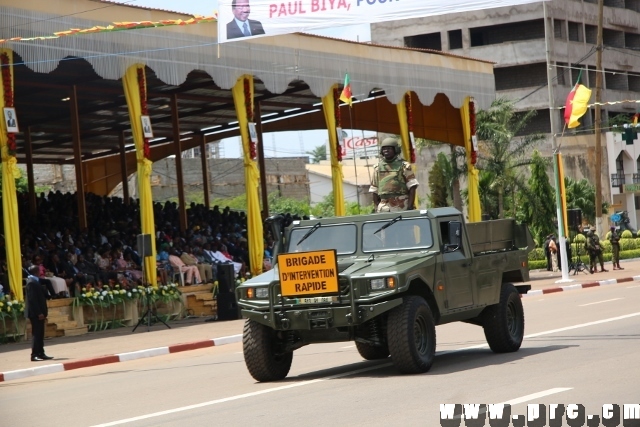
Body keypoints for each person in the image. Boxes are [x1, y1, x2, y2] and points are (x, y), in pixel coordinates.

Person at [369, 137, 418, 212]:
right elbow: (374, 190)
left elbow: (412, 187)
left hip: (401, 205)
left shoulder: (404, 166)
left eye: (389, 148)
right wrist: (377, 206)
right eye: (384, 148)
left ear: (396, 150)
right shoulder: (378, 167)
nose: (386, 151)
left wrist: (410, 207)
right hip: (383, 207)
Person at [25, 266, 53, 362]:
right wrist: (39, 313)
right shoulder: (31, 282)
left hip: (40, 312)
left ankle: (41, 352)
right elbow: (32, 300)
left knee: (40, 333)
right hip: (36, 313)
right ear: (37, 271)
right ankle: (34, 354)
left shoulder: (36, 281)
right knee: (36, 334)